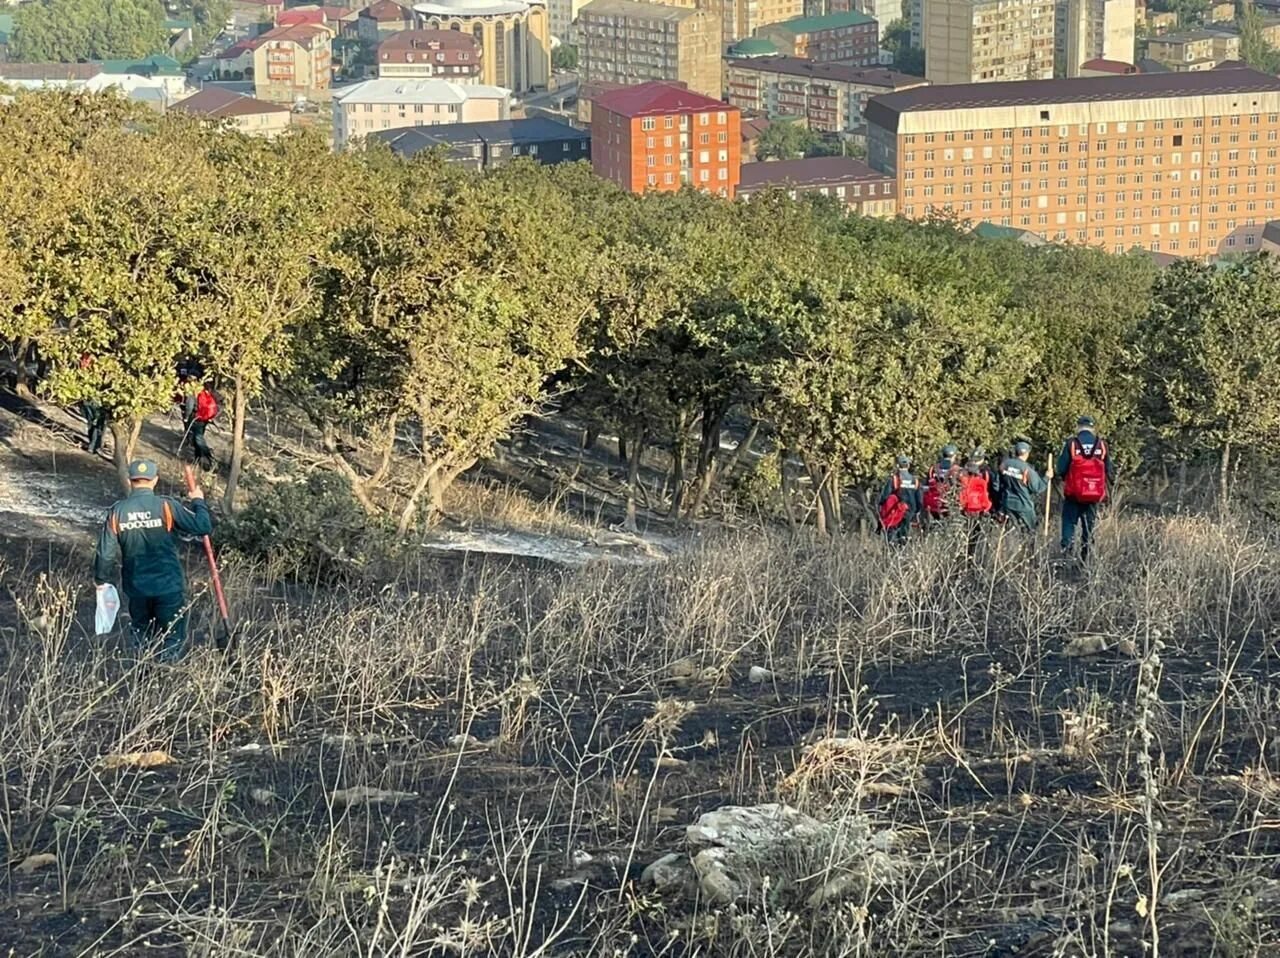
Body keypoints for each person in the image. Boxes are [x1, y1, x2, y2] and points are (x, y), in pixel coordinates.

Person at [94, 459, 212, 661]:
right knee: (171, 636)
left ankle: (143, 676)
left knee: (142, 635)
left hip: (137, 588)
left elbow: (105, 553)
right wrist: (198, 501)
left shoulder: (117, 512)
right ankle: (164, 677)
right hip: (168, 586)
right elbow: (203, 526)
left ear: (131, 481)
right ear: (155, 480)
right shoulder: (166, 505)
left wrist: (100, 579)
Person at [1056, 415, 1114, 561]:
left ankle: (1066, 554)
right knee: (1089, 527)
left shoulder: (1071, 444)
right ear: (1093, 428)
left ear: (1078, 427)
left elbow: (1061, 468)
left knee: (1069, 523)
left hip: (1073, 494)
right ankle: (1085, 558)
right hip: (1093, 495)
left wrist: (1065, 478)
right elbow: (1108, 469)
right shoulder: (1102, 445)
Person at [999, 441, 1047, 533]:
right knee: (1030, 532)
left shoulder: (1005, 464)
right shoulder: (1027, 469)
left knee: (1009, 533)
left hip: (1007, 504)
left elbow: (998, 483)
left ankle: (1010, 547)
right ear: (1026, 454)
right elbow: (1038, 488)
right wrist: (1047, 477)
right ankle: (1028, 547)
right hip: (1023, 506)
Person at [959, 448, 999, 557]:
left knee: (968, 536)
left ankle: (966, 557)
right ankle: (980, 558)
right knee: (983, 537)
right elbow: (994, 491)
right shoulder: (987, 472)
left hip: (965, 509)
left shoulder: (964, 471)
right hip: (983, 509)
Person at [879, 454, 923, 544]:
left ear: (897, 466)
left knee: (891, 533)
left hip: (896, 510)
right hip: (910, 511)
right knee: (904, 532)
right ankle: (903, 550)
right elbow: (919, 499)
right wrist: (917, 511)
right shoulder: (915, 481)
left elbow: (885, 496)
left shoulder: (894, 479)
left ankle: (891, 551)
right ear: (908, 465)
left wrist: (881, 506)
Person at [923, 444, 962, 522]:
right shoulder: (957, 470)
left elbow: (927, 485)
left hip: (933, 503)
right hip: (950, 503)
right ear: (954, 456)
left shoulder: (933, 468)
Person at [191, 382, 219, 470]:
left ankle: (208, 455)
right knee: (197, 438)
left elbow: (197, 407)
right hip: (205, 420)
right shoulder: (209, 396)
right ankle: (198, 459)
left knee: (198, 439)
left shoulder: (201, 395)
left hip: (199, 419)